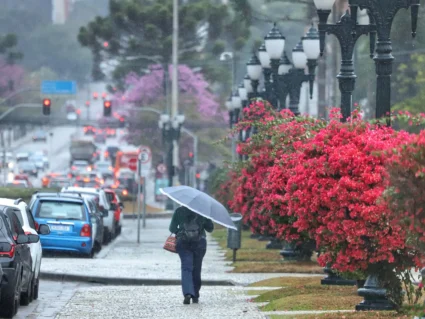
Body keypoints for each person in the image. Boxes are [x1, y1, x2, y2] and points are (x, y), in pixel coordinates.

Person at [169, 205, 214, 305]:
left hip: (183, 242)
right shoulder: (203, 211)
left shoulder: (179, 211)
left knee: (186, 267)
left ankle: (188, 293)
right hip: (200, 242)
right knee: (197, 268)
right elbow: (210, 228)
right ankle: (195, 295)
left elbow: (172, 228)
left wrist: (180, 232)